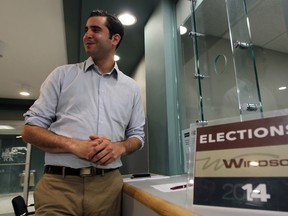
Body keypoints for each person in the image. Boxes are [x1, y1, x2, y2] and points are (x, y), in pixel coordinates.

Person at [22, 9, 145, 216]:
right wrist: (73, 145)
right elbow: (29, 131)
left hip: (108, 189)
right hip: (59, 187)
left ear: (115, 38)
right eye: (86, 29)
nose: (87, 34)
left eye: (95, 29)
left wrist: (120, 148)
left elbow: (137, 136)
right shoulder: (62, 76)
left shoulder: (131, 88)